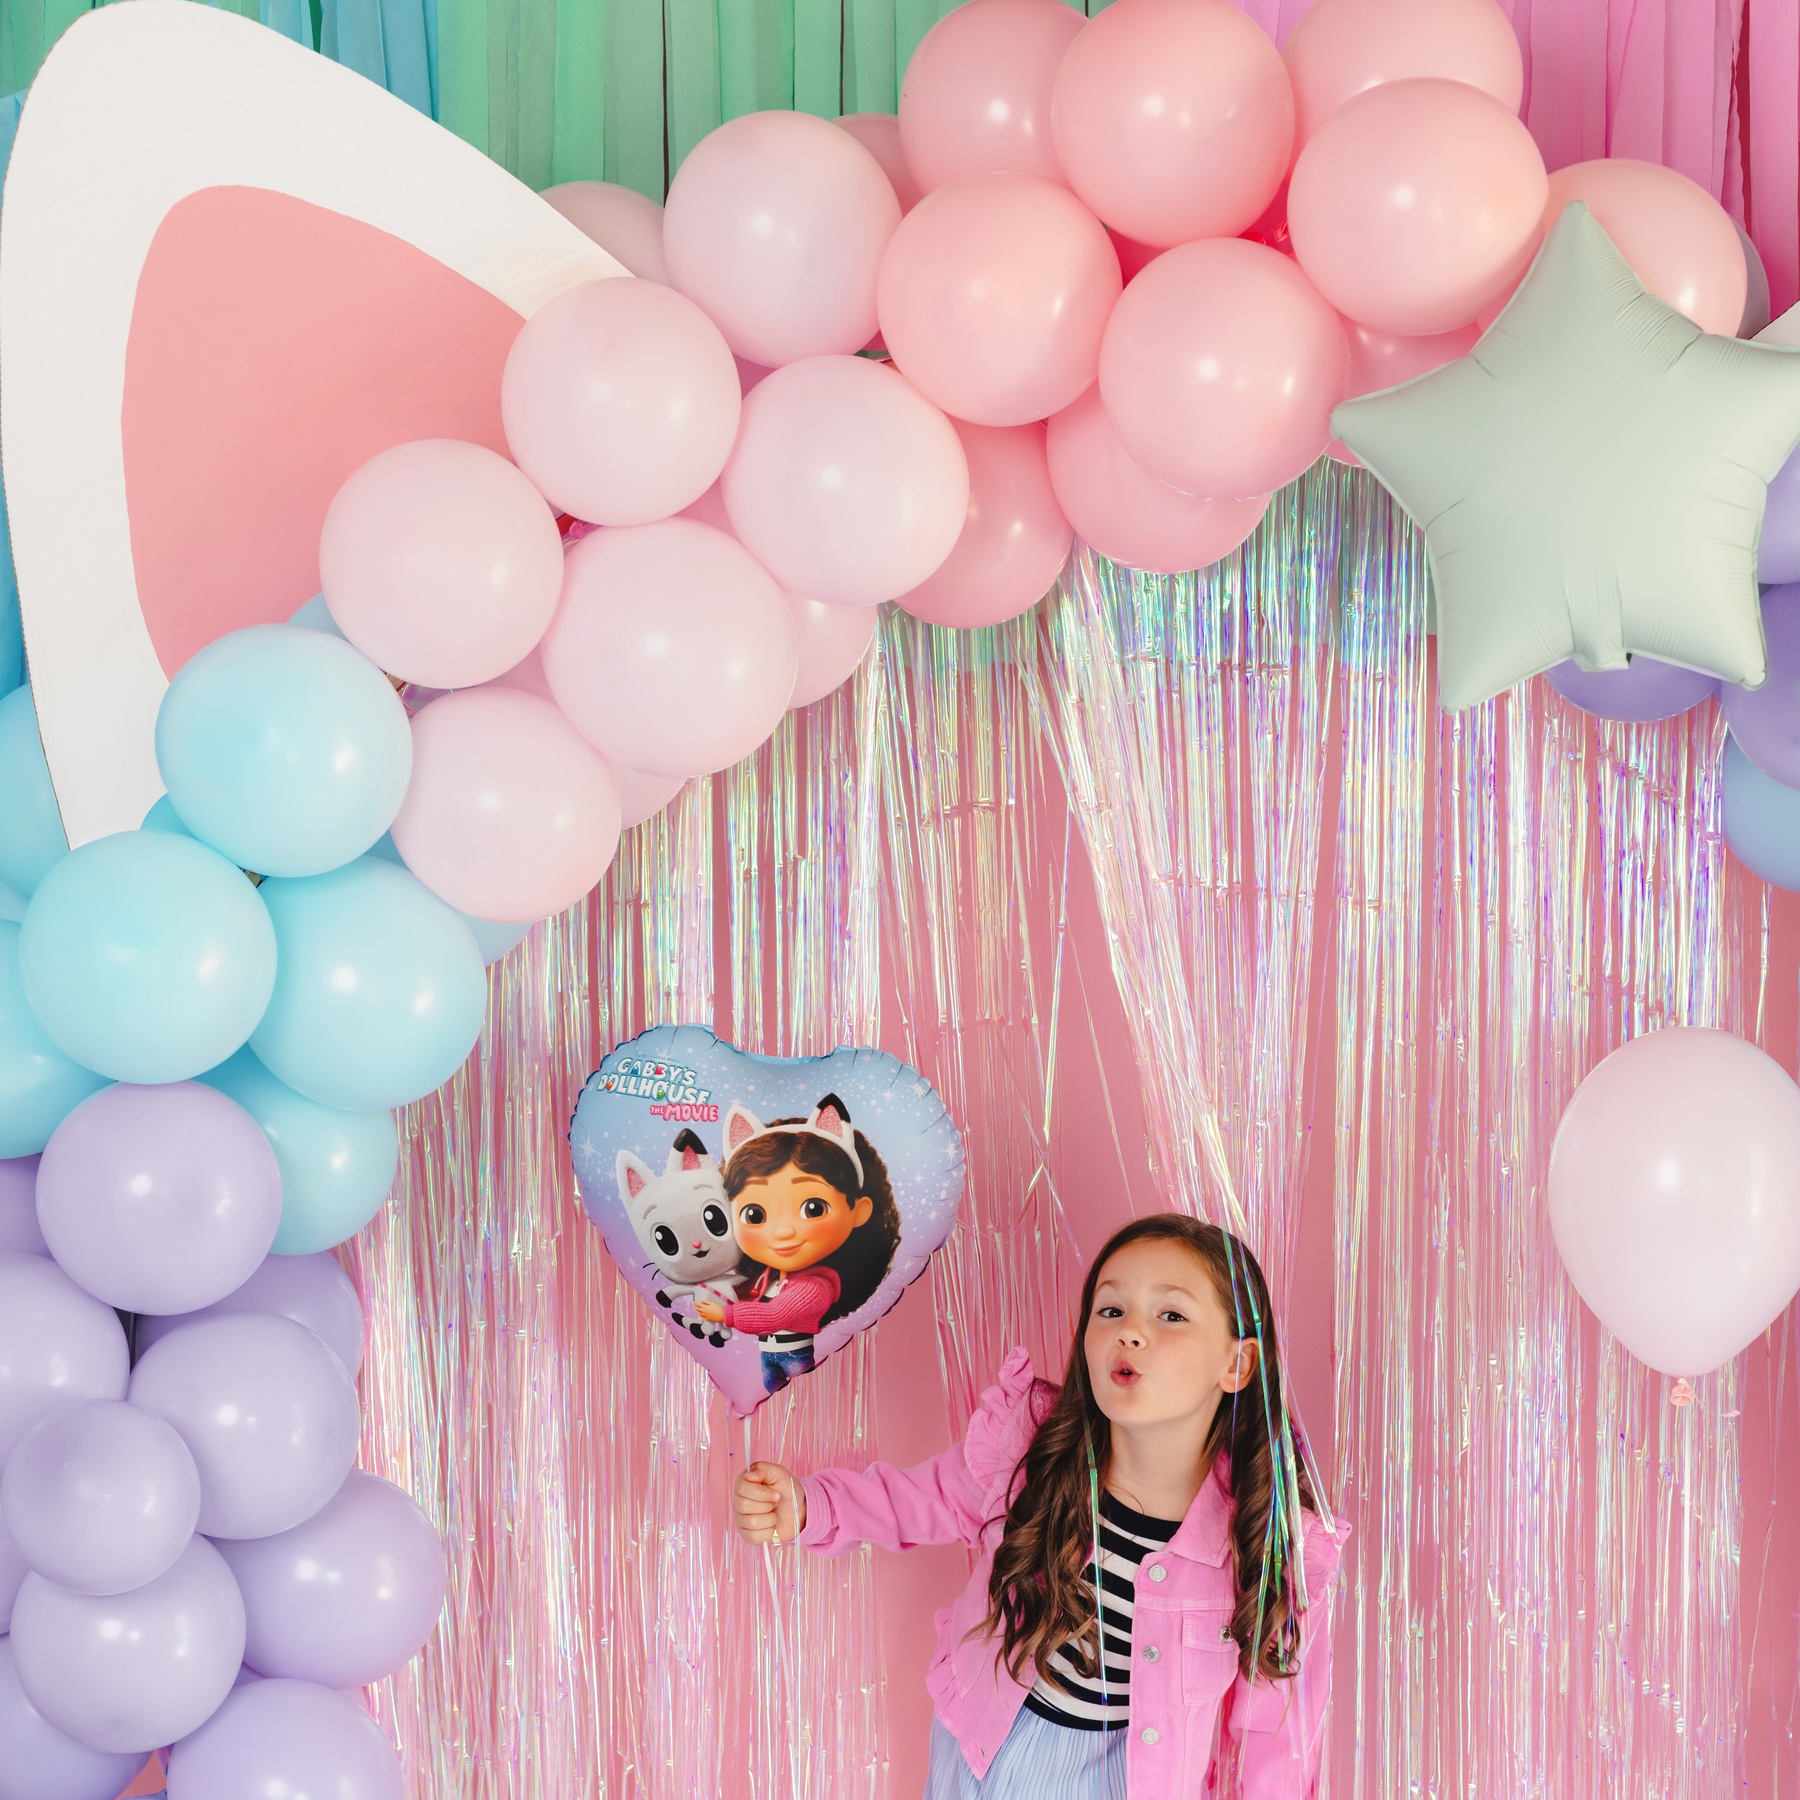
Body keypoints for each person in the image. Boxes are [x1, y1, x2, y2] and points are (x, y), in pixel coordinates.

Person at [732, 1213, 1347, 1798]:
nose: (1130, 1330)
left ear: (1237, 1364)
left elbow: (1277, 1737)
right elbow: (921, 1498)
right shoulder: (1030, 1449)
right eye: (1111, 1309)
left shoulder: (1266, 1545)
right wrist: (809, 1506)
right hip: (979, 1747)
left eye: (1171, 1314)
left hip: (1116, 1780)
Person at [694, 1093, 900, 1395]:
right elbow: (748, 1295)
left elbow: (775, 1315)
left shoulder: (814, 1287)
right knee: (771, 1403)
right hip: (768, 1356)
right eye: (754, 1214)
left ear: (858, 1211)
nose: (782, 1232)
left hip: (794, 1359)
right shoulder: (769, 1277)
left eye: (813, 1209)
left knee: (800, 1399)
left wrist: (725, 1316)